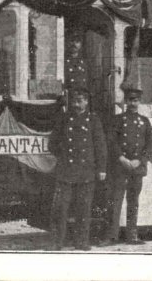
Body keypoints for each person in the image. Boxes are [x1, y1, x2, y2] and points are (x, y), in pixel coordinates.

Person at [49, 87, 106, 251]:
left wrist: (102, 169)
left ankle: (81, 242)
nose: (77, 104)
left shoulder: (93, 120)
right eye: (74, 100)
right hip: (66, 170)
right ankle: (56, 242)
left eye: (80, 100)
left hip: (86, 171)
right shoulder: (64, 119)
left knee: (84, 208)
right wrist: (65, 156)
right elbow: (52, 144)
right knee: (60, 208)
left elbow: (100, 146)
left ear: (86, 102)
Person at [101, 87, 152, 246]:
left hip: (137, 168)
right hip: (120, 167)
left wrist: (141, 160)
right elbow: (111, 141)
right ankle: (111, 236)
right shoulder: (117, 120)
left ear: (139, 102)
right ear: (126, 101)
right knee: (115, 201)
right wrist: (121, 158)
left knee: (133, 201)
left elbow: (150, 143)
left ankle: (132, 235)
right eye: (130, 100)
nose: (133, 103)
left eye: (136, 100)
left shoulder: (144, 121)